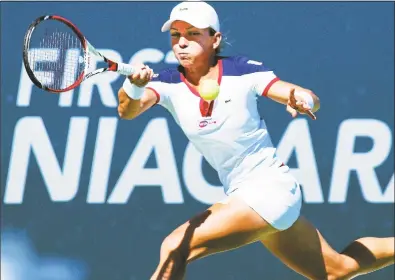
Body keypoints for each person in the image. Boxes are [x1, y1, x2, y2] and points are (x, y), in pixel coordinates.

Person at [117, 1, 394, 279]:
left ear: (215, 39)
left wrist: (301, 99)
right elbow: (127, 111)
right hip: (242, 195)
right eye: (176, 35)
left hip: (271, 190)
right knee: (338, 269)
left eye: (192, 34)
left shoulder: (243, 71)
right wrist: (134, 85)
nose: (182, 43)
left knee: (176, 246)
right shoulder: (167, 83)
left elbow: (301, 95)